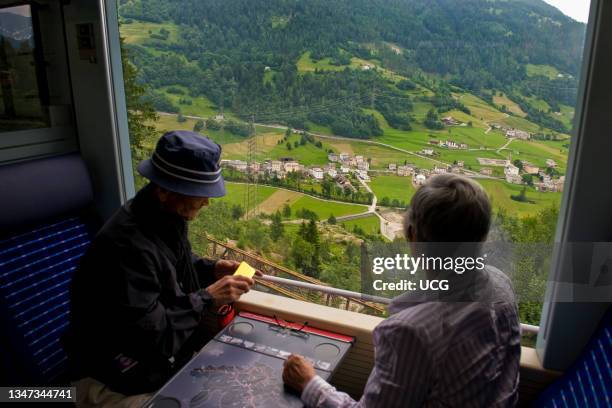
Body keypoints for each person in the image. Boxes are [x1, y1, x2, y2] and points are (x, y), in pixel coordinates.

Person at [283, 174, 521, 407]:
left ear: (413, 236)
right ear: (482, 236)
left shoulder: (411, 333)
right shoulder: (502, 285)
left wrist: (310, 384)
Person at [64, 131, 255, 405]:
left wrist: (210, 269)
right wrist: (208, 297)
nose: (206, 202)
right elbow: (153, 339)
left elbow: (170, 266)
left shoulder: (162, 219)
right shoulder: (127, 246)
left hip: (151, 367)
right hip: (111, 381)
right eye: (198, 193)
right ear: (164, 190)